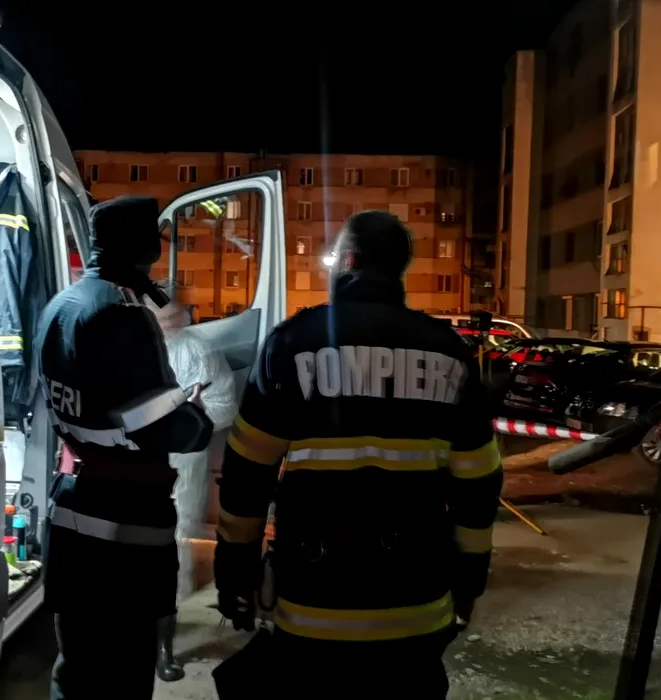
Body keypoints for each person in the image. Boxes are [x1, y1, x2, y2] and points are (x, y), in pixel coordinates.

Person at [212, 210, 504, 699]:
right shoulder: (449, 351)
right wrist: (470, 582)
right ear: (399, 268)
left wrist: (235, 575)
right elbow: (479, 481)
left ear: (347, 261)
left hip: (313, 604)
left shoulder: (293, 342)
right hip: (417, 606)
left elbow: (248, 473)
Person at [35, 195, 214, 700]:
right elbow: (162, 426)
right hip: (125, 530)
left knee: (75, 668)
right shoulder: (124, 314)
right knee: (124, 675)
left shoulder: (59, 305)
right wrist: (195, 415)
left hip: (70, 511)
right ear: (145, 249)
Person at [148, 301, 238, 682]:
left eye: (169, 314)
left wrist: (188, 424)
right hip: (140, 461)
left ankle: (166, 635)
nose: (165, 321)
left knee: (176, 538)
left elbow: (224, 404)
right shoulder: (134, 345)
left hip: (181, 461)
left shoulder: (197, 351)